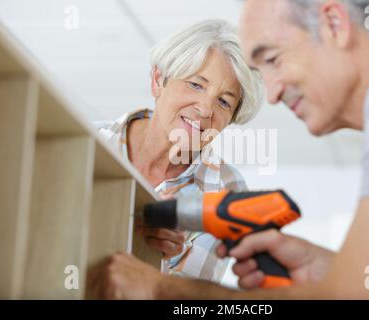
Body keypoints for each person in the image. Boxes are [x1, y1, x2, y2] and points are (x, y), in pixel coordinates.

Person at [89, 0, 369, 299]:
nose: (273, 93)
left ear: (335, 24)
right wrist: (325, 265)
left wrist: (161, 289)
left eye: (273, 59)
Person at [95, 19, 263, 283]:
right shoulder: (91, 141)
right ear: (159, 80)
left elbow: (189, 300)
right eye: (196, 84)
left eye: (223, 101)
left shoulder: (228, 191)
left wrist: (165, 257)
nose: (206, 109)